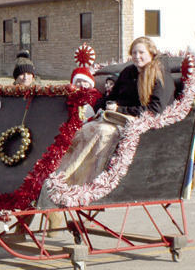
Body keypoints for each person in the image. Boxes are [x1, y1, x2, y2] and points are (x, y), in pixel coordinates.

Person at [55, 36, 174, 186]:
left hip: (139, 122)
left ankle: (87, 181)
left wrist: (121, 109)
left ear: (151, 53)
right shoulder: (128, 72)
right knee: (80, 130)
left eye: (141, 53)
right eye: (134, 53)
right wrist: (96, 105)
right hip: (114, 116)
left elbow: (155, 109)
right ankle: (61, 176)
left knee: (101, 133)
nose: (137, 57)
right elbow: (113, 96)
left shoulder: (159, 75)